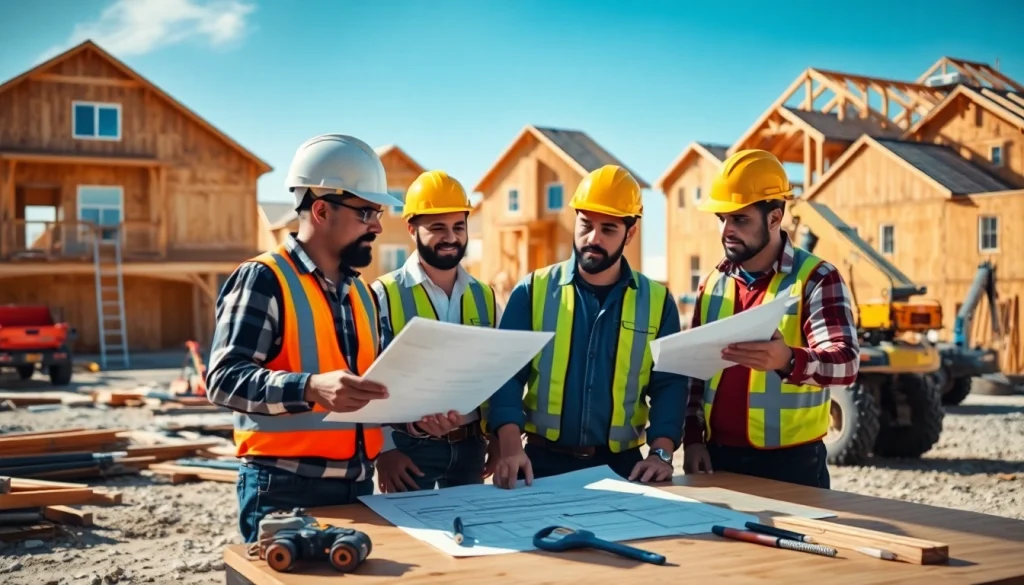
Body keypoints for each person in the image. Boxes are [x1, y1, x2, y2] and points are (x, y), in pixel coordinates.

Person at [206, 134, 462, 543]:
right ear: (321, 210)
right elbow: (222, 380)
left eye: (377, 212)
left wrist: (418, 417)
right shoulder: (265, 279)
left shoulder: (361, 293)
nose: (378, 225)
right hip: (284, 490)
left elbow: (369, 392)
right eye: (366, 212)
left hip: (358, 488)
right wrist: (310, 388)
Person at [484, 164, 688, 489]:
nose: (593, 238)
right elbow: (505, 373)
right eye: (586, 224)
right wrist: (509, 446)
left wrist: (661, 453)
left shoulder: (658, 302)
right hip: (541, 464)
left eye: (608, 229)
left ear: (630, 233)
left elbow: (670, 385)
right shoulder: (532, 290)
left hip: (624, 467)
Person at [681, 148, 860, 489]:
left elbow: (846, 364)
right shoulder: (712, 283)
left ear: (775, 217)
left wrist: (788, 359)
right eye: (723, 219)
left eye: (740, 219)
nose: (727, 231)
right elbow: (695, 376)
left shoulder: (816, 277)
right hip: (717, 458)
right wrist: (692, 439)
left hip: (793, 464)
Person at [370, 170, 503, 493]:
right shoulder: (382, 294)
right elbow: (367, 377)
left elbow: (500, 373)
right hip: (409, 449)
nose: (451, 237)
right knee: (413, 539)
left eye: (459, 227)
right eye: (438, 227)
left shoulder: (484, 296)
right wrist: (384, 450)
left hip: (472, 447)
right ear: (411, 228)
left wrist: (500, 439)